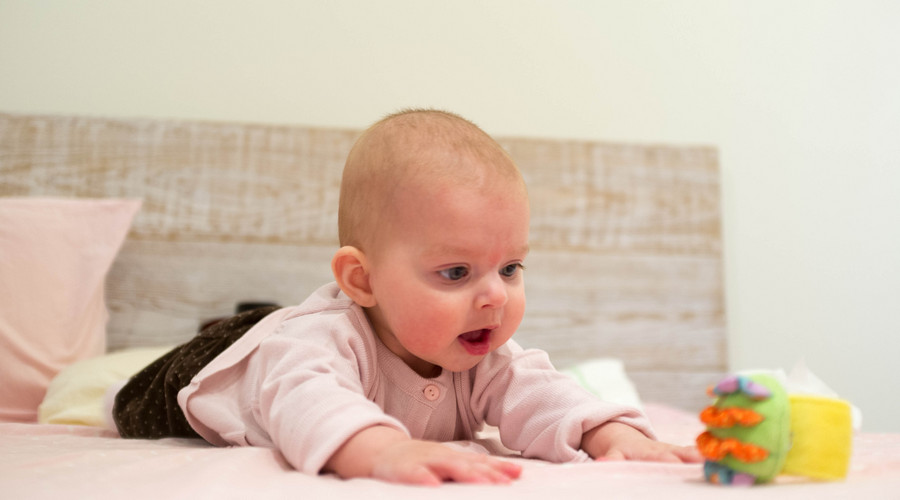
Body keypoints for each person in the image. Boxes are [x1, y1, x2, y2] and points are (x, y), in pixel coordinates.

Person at [112, 109, 701, 486]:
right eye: (456, 272)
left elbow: (543, 395)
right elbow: (308, 400)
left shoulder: (481, 351)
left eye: (511, 267)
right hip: (206, 369)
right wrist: (383, 451)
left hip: (289, 335)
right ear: (362, 281)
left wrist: (612, 436)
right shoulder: (319, 344)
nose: (494, 295)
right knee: (132, 396)